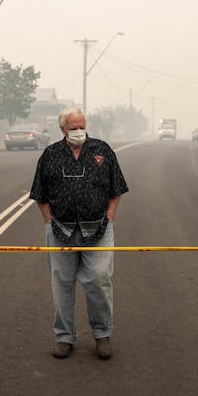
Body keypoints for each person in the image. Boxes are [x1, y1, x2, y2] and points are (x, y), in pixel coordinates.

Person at [29, 108, 129, 360]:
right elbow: (40, 194)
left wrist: (108, 218)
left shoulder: (102, 151)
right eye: (73, 128)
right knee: (61, 282)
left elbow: (116, 189)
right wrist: (49, 222)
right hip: (60, 229)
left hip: (99, 229)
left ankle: (102, 334)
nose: (78, 131)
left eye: (82, 126)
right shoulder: (50, 155)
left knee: (98, 279)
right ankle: (64, 337)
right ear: (63, 130)